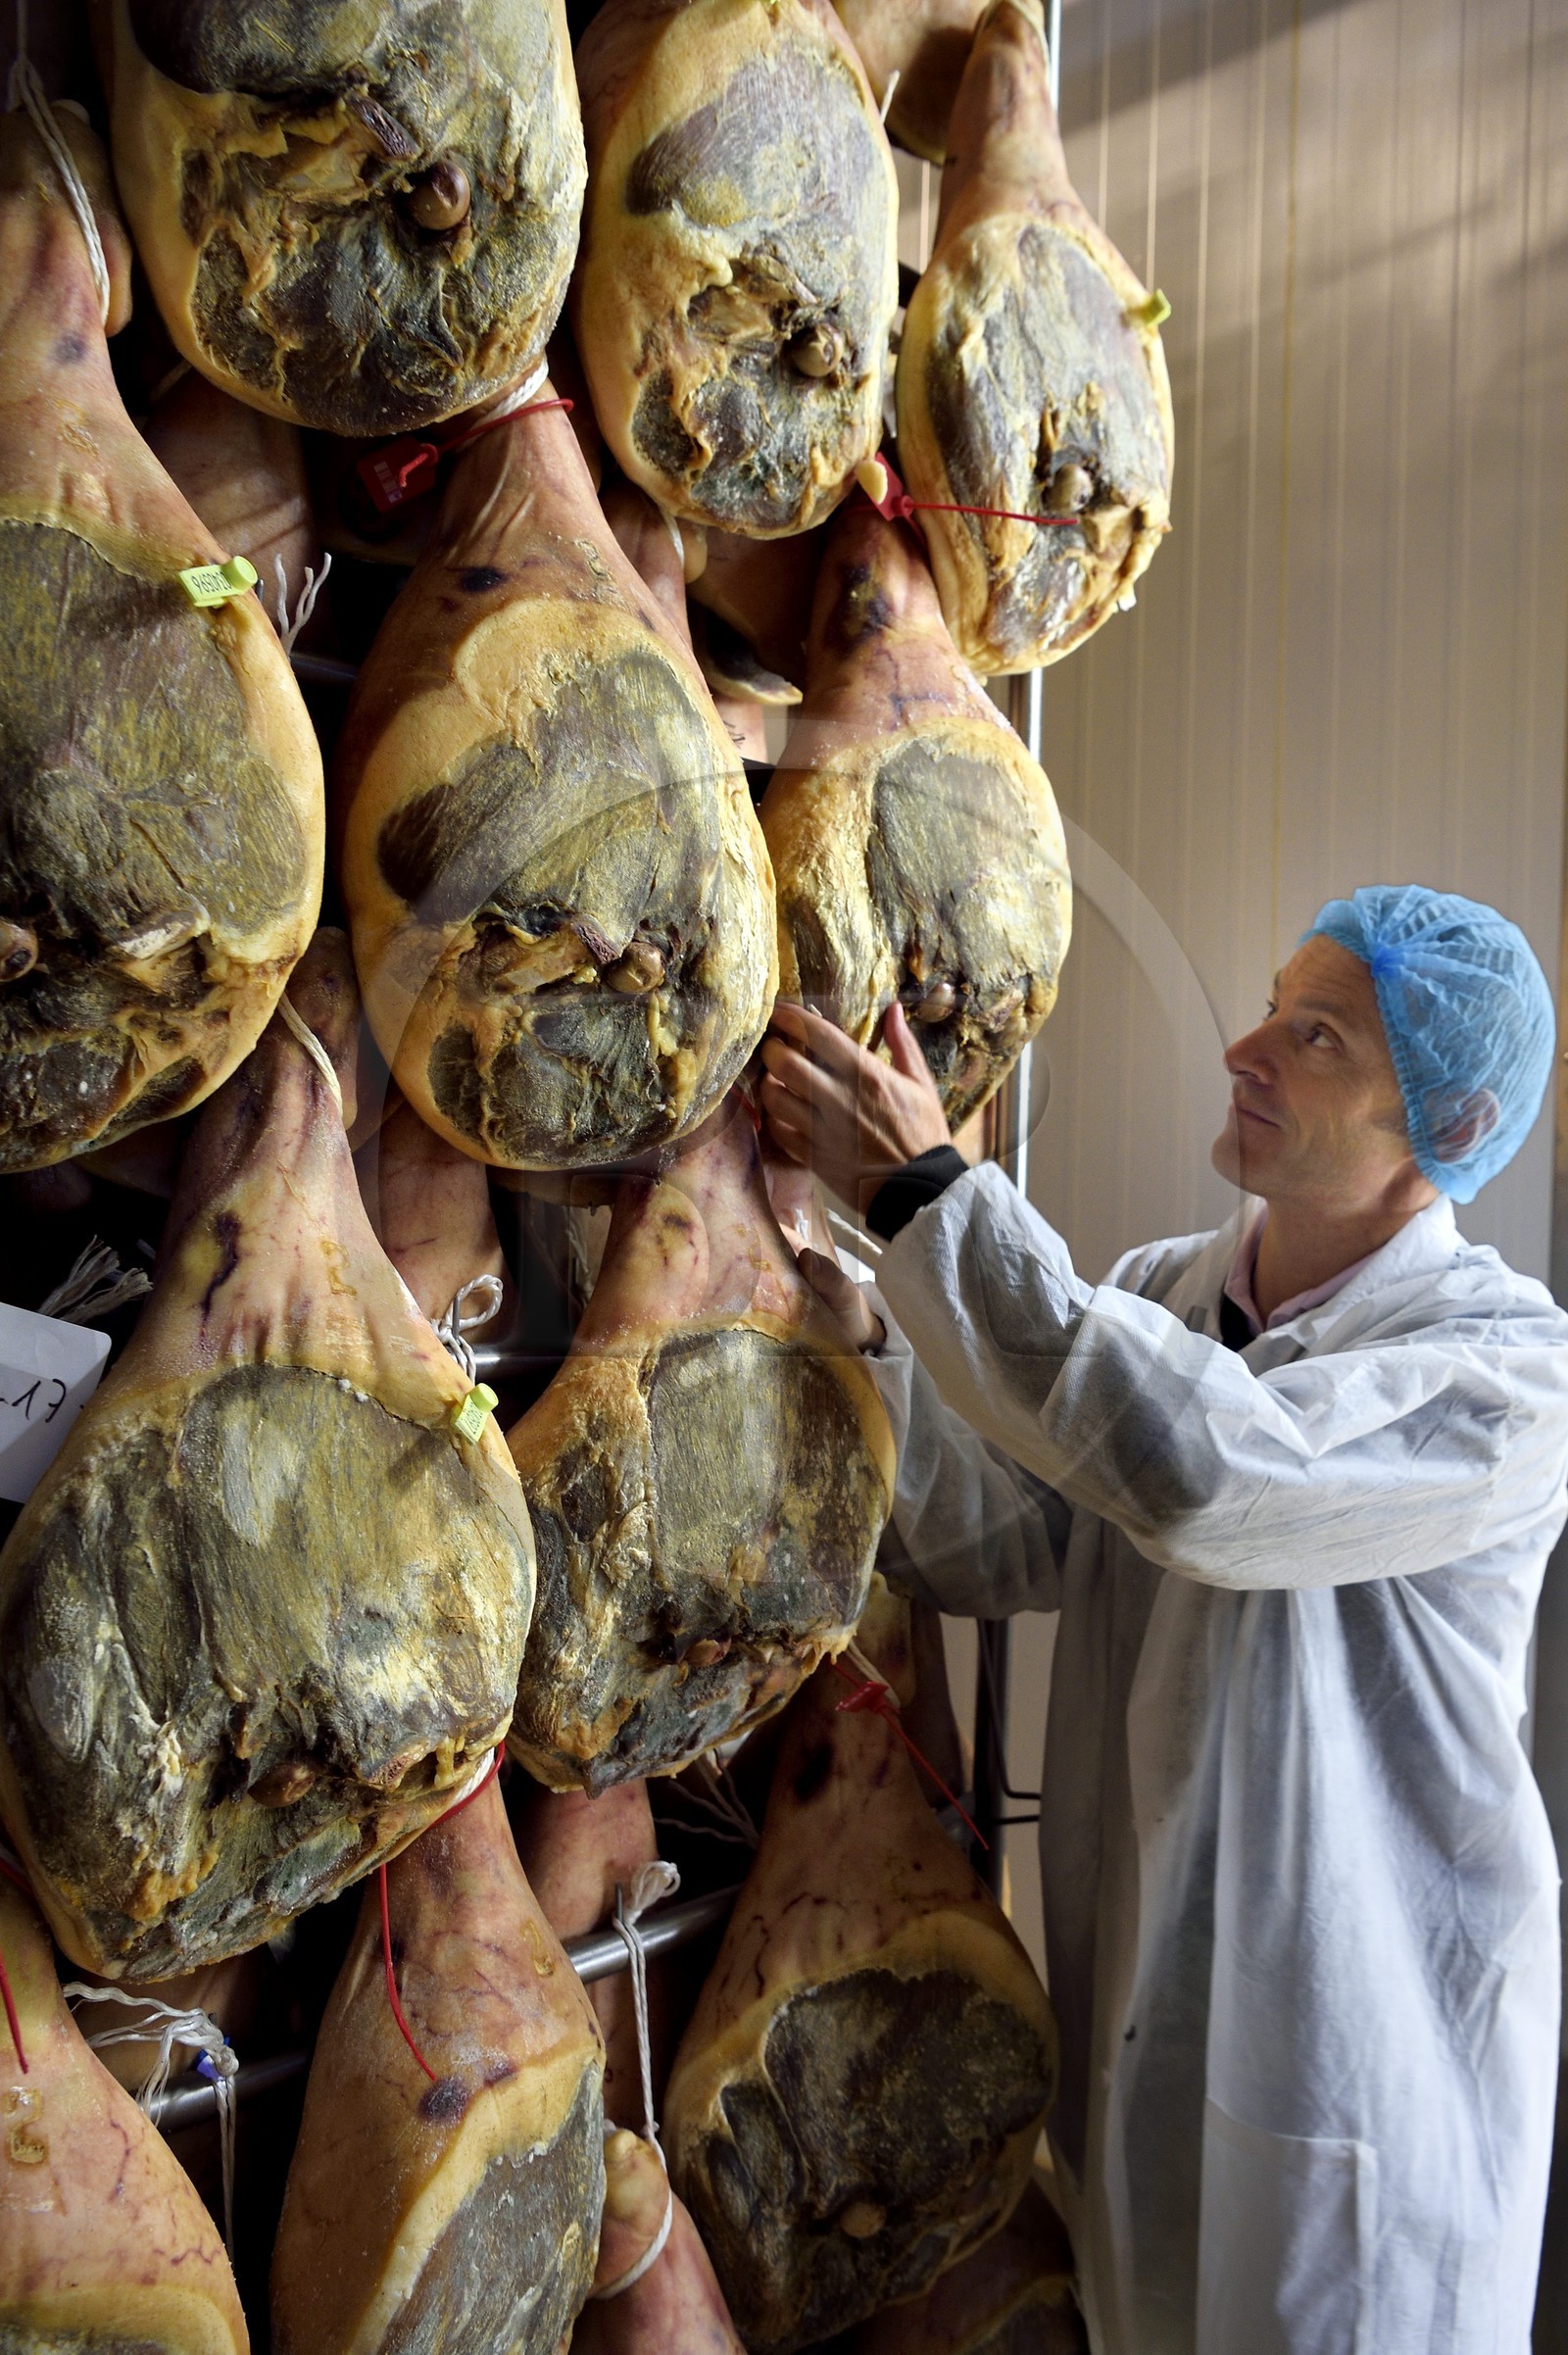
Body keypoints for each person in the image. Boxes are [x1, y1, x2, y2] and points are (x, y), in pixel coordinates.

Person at [758, 885, 1568, 2355]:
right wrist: (869, 1338)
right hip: (1143, 2039)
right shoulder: (1162, 1297)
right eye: (1268, 1001)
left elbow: (1213, 1479)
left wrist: (927, 1198)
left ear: (1441, 1123)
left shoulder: (1508, 1375)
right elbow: (994, 1543)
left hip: (1362, 2094)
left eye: (1311, 1036)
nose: (1243, 1049)